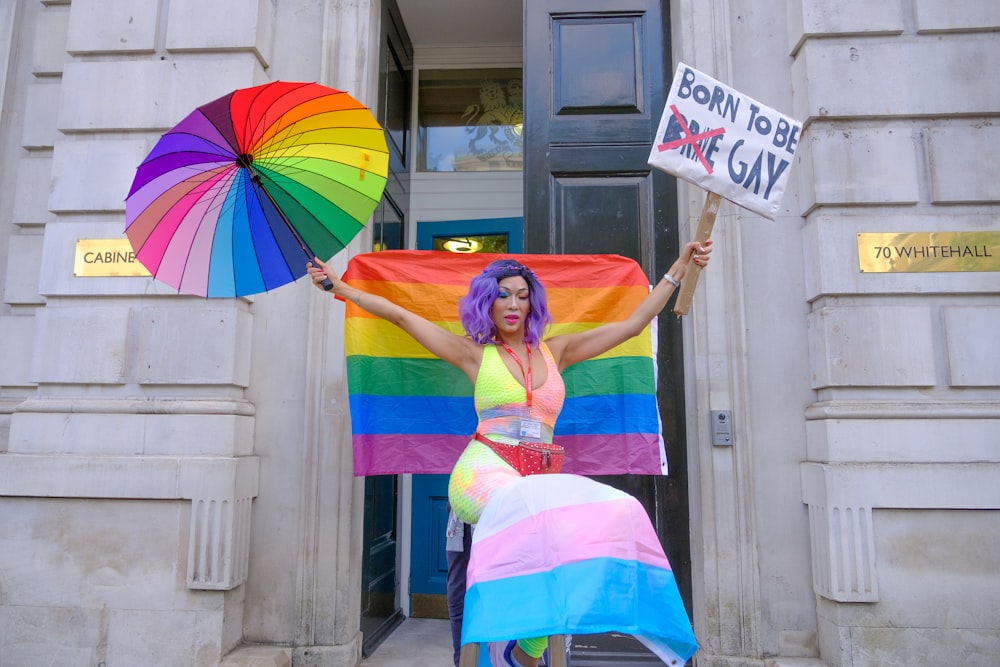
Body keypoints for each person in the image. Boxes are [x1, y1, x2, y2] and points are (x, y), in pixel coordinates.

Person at [307, 240, 712, 667]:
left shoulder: (558, 351)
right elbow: (402, 316)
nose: (513, 303)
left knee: (619, 509)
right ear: (488, 305)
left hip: (538, 478)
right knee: (531, 519)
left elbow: (633, 325)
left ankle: (527, 651)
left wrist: (678, 268)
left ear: (533, 303)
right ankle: (490, 644)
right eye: (502, 296)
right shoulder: (473, 354)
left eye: (522, 295)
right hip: (484, 470)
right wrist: (340, 288)